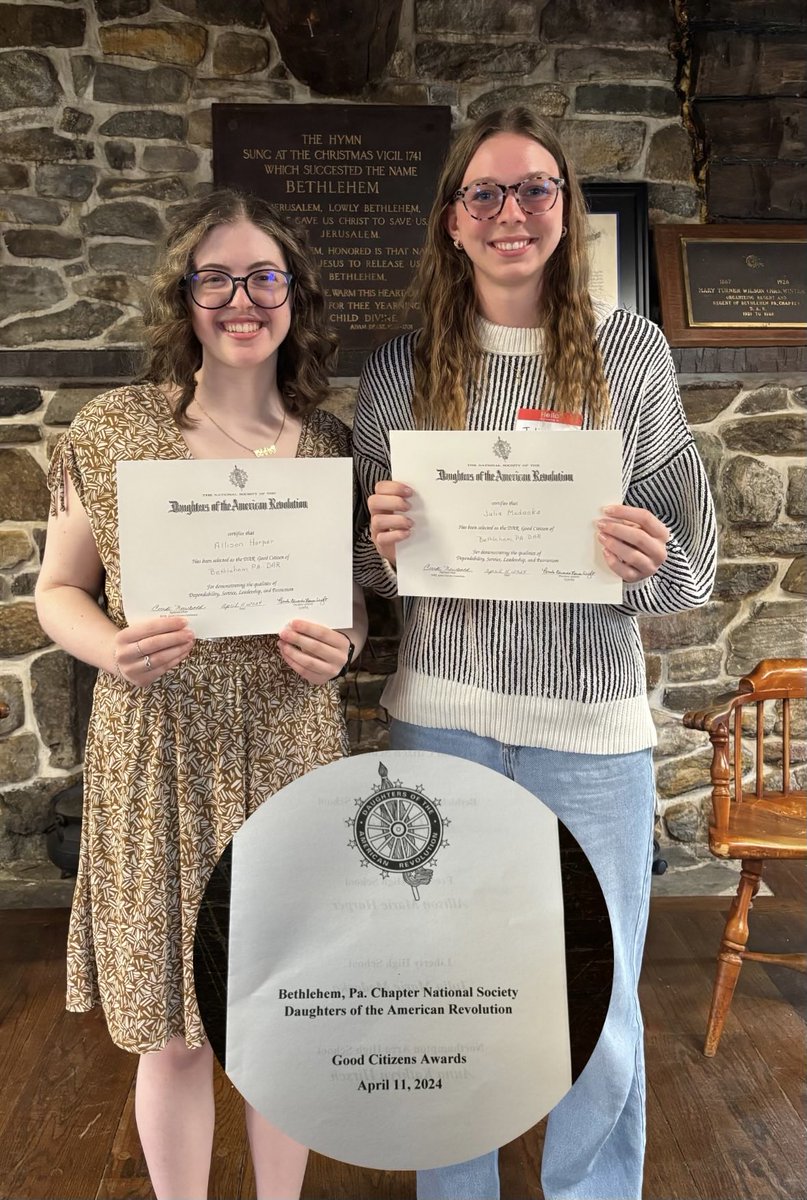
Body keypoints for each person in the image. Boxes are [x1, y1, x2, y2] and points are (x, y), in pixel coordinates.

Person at [352, 107, 716, 1200]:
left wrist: (638, 558)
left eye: (536, 190)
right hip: (441, 721)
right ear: (452, 221)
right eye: (487, 193)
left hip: (592, 739)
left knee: (594, 1002)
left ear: (567, 210)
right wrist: (376, 549)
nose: (512, 213)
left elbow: (691, 568)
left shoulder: (631, 352)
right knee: (444, 988)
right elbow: (368, 577)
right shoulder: (399, 366)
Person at [35, 188, 367, 1200]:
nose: (240, 299)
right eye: (213, 278)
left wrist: (338, 652)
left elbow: (347, 619)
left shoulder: (331, 446)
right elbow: (57, 591)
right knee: (175, 1032)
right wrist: (111, 647)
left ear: (293, 297)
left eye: (262, 277)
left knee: (281, 1017)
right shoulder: (111, 429)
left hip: (288, 747)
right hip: (160, 748)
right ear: (183, 298)